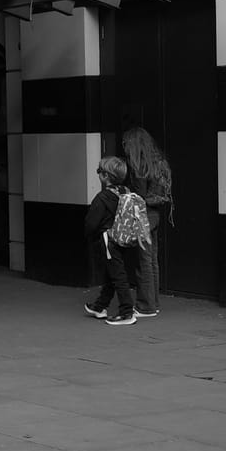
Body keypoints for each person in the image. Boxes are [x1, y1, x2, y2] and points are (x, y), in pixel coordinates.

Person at [83, 157, 144, 327]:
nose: (98, 174)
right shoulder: (125, 191)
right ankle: (100, 306)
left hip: (107, 240)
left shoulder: (102, 198)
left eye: (99, 171)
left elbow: (91, 224)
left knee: (118, 276)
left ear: (105, 176)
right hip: (123, 239)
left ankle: (127, 312)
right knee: (113, 272)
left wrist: (90, 237)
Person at [119, 126, 172, 317]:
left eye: (126, 143)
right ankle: (153, 303)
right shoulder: (159, 162)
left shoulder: (139, 165)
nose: (124, 147)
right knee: (152, 261)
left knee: (143, 262)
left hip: (143, 215)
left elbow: (138, 195)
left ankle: (146, 306)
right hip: (155, 214)